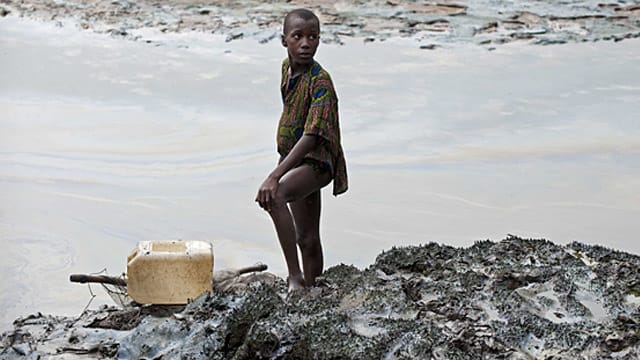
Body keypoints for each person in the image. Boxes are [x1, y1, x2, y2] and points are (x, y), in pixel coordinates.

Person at [255, 8, 348, 292]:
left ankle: (294, 278)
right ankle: (312, 289)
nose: (306, 43)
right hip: (295, 158)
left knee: (275, 194)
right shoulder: (287, 68)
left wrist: (275, 174)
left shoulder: (321, 82)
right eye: (298, 37)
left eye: (313, 37)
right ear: (285, 41)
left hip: (317, 161)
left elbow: (311, 135)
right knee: (306, 237)